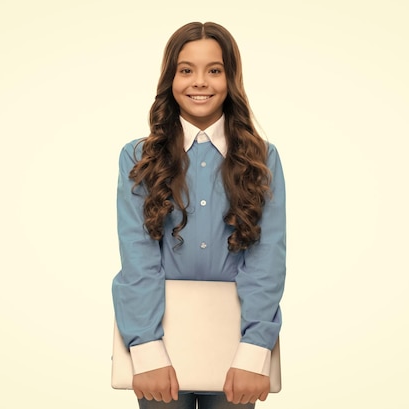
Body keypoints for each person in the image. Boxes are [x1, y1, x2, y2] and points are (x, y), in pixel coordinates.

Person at [112, 21, 286, 409]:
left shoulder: (262, 159)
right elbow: (137, 256)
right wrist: (147, 348)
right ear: (170, 77)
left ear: (231, 78)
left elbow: (266, 257)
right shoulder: (139, 158)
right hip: (159, 341)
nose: (199, 82)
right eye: (186, 70)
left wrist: (255, 350)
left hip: (235, 344)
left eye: (214, 70)